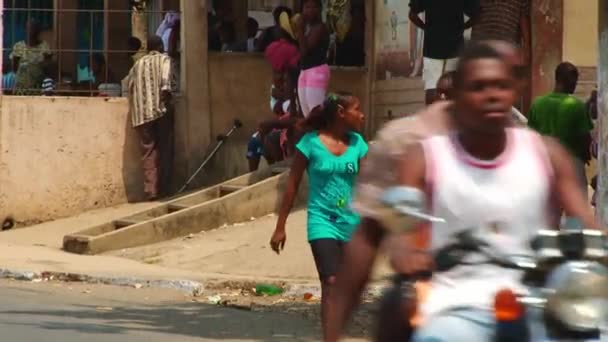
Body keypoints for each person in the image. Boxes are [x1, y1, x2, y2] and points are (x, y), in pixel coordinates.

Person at [324, 42, 599, 342]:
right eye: (478, 87)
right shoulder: (425, 158)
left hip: (535, 298)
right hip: (455, 305)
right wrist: (406, 249)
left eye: (500, 85)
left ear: (514, 90)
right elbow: (399, 220)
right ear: (457, 97)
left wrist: (592, 241)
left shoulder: (547, 154)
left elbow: (584, 217)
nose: (491, 95)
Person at [270, 93, 367, 340]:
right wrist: (280, 226)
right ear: (341, 113)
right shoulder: (310, 143)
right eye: (358, 109)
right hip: (321, 221)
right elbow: (292, 184)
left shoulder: (358, 144)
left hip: (352, 223)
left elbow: (369, 185)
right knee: (331, 282)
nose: (362, 115)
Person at [528, 62, 593, 199]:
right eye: (573, 81)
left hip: (545, 166)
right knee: (577, 215)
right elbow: (584, 137)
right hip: (572, 165)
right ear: (565, 80)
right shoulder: (577, 106)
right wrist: (586, 155)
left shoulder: (537, 104)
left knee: (549, 214)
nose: (575, 85)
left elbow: (531, 138)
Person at [127, 36, 174, 201]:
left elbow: (128, 85)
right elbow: (166, 85)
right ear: (161, 46)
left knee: (148, 151)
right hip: (160, 111)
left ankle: (151, 191)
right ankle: (165, 188)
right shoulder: (164, 60)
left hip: (141, 115)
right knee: (164, 148)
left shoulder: (138, 64)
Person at [409, 0, 480, 105]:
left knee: (431, 87)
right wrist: (462, 27)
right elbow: (477, 15)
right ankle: (453, 119)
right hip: (455, 46)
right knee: (454, 88)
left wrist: (427, 28)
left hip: (432, 45)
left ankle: (431, 118)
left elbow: (412, 15)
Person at [296, 0, 331, 117]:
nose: (310, 10)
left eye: (314, 7)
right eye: (307, 7)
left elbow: (304, 51)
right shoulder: (309, 29)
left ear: (320, 10)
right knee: (307, 116)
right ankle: (311, 135)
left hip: (316, 71)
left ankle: (320, 135)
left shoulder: (320, 27)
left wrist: (300, 29)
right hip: (304, 71)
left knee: (315, 114)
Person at [10, 19, 52, 95]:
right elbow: (14, 67)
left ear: (38, 31)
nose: (31, 31)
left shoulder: (44, 46)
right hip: (21, 87)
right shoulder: (19, 46)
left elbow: (48, 66)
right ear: (26, 30)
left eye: (34, 28)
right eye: (29, 28)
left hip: (38, 86)